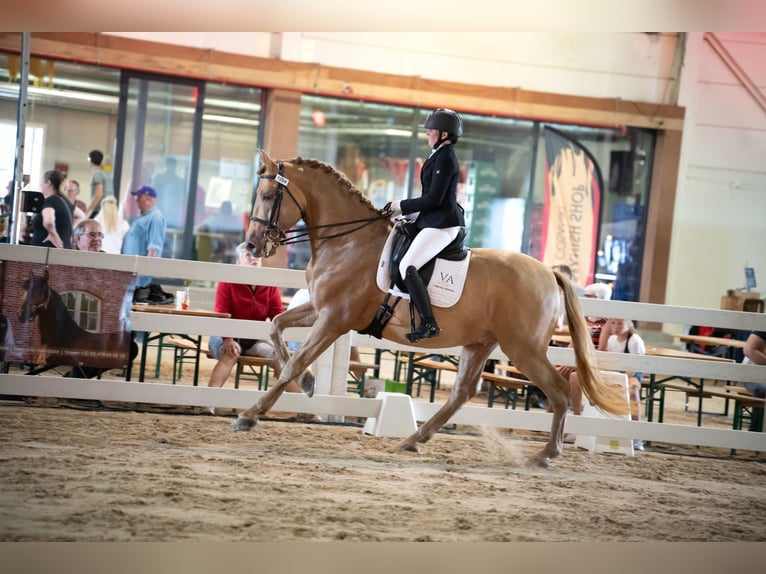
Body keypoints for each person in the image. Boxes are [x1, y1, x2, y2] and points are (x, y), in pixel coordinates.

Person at [383, 108, 465, 343]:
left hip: (443, 225)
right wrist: (409, 216)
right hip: (432, 220)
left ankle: (429, 323)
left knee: (408, 265)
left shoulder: (446, 157)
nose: (428, 133)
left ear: (445, 135)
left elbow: (434, 199)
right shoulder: (437, 154)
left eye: (432, 130)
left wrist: (401, 205)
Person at [206, 243, 316, 418]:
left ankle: (305, 408)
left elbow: (278, 317)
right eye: (248, 256)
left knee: (279, 356)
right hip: (224, 336)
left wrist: (283, 346)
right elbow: (222, 313)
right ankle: (208, 403)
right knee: (231, 353)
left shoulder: (268, 285)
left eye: (256, 256)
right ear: (238, 261)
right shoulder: (227, 281)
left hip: (254, 339)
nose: (254, 259)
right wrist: (227, 339)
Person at [570, 317, 647, 450]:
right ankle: (579, 423)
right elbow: (608, 363)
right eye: (612, 323)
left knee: (633, 389)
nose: (616, 327)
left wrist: (618, 381)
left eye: (620, 324)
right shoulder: (611, 340)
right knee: (575, 377)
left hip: (630, 374)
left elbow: (634, 367)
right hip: (614, 373)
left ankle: (636, 435)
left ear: (628, 325)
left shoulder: (635, 341)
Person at [121, 185, 174, 305]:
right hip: (132, 273)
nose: (136, 200)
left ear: (149, 199)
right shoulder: (143, 216)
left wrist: (146, 268)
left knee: (137, 307)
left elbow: (154, 247)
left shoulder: (156, 218)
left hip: (141, 279)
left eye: (139, 197)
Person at [31, 169, 74, 249]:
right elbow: (81, 216)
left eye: (43, 182)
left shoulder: (51, 201)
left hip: (46, 252)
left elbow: (48, 221)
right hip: (64, 249)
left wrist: (54, 235)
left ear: (49, 183)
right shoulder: (66, 202)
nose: (41, 185)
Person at [152, 156, 186, 229]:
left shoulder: (180, 181)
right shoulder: (159, 178)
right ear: (166, 165)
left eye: (172, 165)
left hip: (174, 214)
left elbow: (182, 197)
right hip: (160, 209)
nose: (171, 167)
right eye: (169, 164)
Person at [742, 330, 766, 432]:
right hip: (754, 370)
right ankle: (756, 431)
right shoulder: (763, 323)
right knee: (763, 389)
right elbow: (749, 350)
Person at [85, 149, 114, 218]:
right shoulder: (108, 172)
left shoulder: (96, 174)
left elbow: (99, 194)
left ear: (90, 160)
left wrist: (88, 210)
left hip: (100, 210)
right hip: (110, 208)